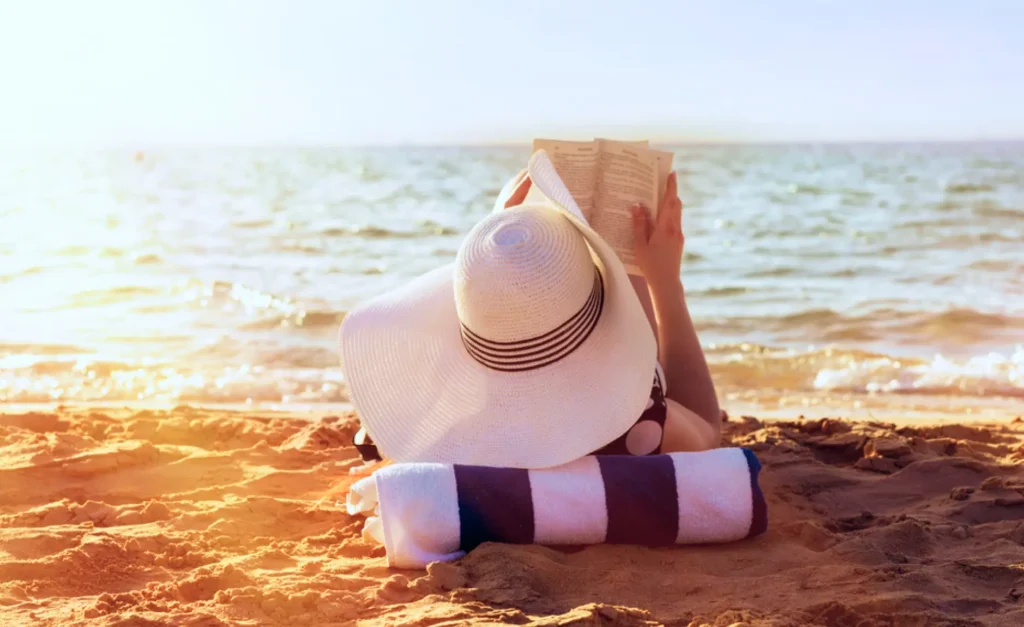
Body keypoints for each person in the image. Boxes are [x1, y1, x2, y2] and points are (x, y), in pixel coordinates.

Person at [340, 152, 720, 469]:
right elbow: (707, 433)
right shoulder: (642, 424)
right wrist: (665, 283)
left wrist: (499, 244)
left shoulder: (451, 437)